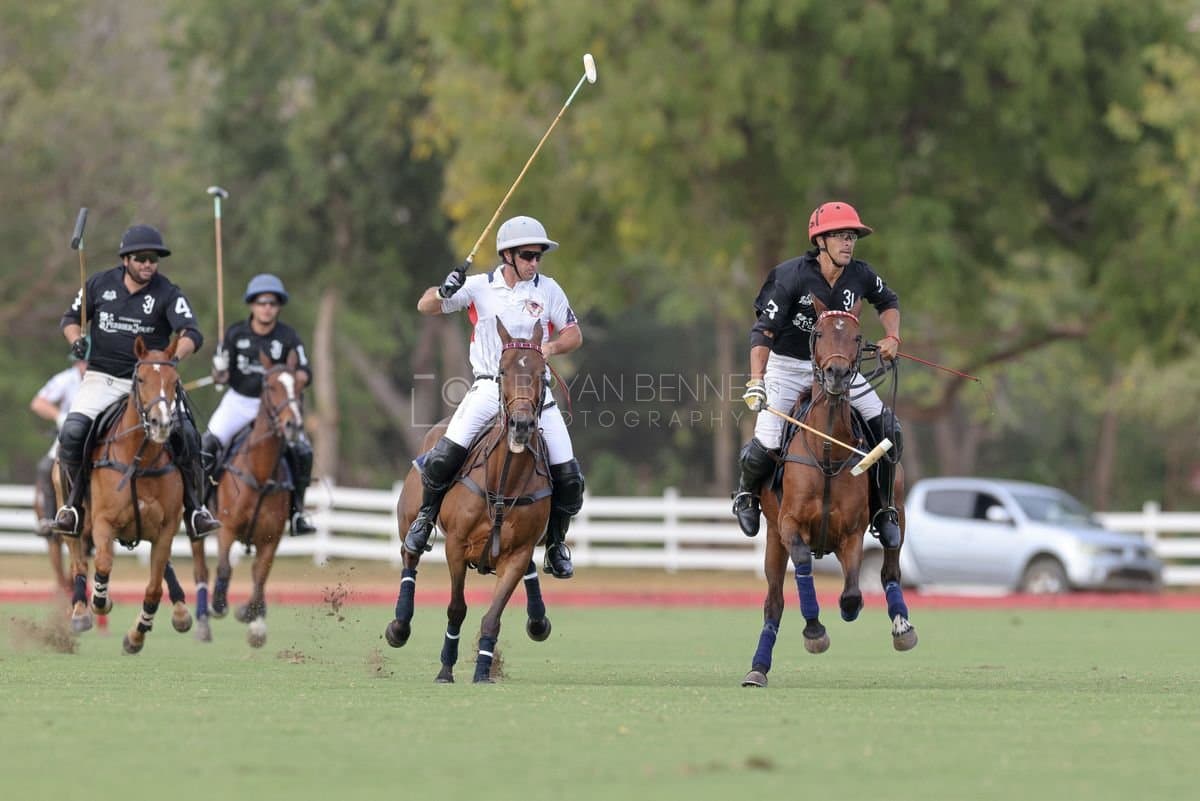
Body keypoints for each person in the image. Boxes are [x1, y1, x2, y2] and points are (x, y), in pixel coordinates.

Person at [406, 215, 584, 578]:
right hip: (490, 386)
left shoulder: (548, 289)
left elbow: (574, 333)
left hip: (535, 392)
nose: (534, 262)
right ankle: (424, 521)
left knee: (569, 477)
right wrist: (443, 291)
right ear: (508, 256)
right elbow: (425, 305)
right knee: (442, 457)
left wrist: (549, 348)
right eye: (528, 255)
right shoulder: (479, 287)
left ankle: (555, 544)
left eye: (538, 256)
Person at [732, 201, 905, 548]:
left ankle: (884, 509)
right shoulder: (790, 276)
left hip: (839, 368)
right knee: (766, 442)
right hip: (787, 366)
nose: (848, 243)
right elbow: (763, 332)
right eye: (840, 236)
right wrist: (756, 380)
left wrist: (892, 337)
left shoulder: (861, 274)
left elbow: (888, 302)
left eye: (852, 237)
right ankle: (746, 495)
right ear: (821, 240)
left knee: (889, 431)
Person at [53, 223, 220, 540]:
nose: (148, 264)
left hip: (152, 383)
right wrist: (76, 341)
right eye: (141, 258)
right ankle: (73, 508)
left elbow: (192, 333)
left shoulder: (168, 292)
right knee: (73, 432)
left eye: (154, 259)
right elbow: (70, 319)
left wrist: (172, 358)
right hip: (104, 378)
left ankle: (195, 508)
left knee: (187, 435)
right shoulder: (99, 284)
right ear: (126, 259)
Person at [204, 273, 316, 535]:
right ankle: (201, 506)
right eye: (261, 302)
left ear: (278, 307)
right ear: (252, 304)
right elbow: (221, 376)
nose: (267, 307)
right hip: (240, 401)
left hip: (277, 406)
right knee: (207, 444)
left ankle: (297, 511)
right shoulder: (235, 333)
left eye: (272, 303)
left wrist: (292, 380)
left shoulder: (288, 337)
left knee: (303, 451)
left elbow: (305, 372)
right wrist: (218, 369)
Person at [30, 356, 88, 535]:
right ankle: (48, 518)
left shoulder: (105, 379)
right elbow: (38, 403)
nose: (86, 365)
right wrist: (59, 416)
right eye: (84, 361)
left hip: (100, 433)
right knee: (46, 468)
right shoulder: (65, 379)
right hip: (71, 434)